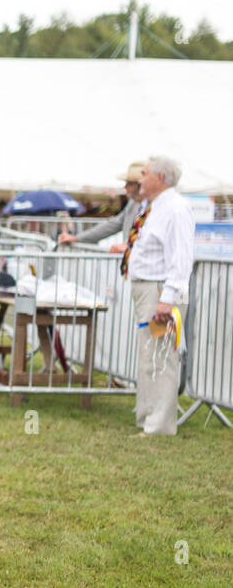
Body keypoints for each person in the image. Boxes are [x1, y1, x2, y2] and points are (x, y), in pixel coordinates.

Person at [125, 156, 194, 436]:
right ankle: (147, 418)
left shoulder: (176, 209)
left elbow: (181, 257)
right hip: (150, 291)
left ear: (160, 178)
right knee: (148, 354)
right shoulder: (155, 208)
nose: (139, 179)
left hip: (160, 293)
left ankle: (159, 426)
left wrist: (167, 298)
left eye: (144, 173)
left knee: (161, 356)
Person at [58, 161, 146, 251]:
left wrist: (131, 245)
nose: (125, 187)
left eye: (130, 183)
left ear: (141, 184)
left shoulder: (154, 207)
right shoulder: (133, 203)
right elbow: (113, 224)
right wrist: (77, 238)